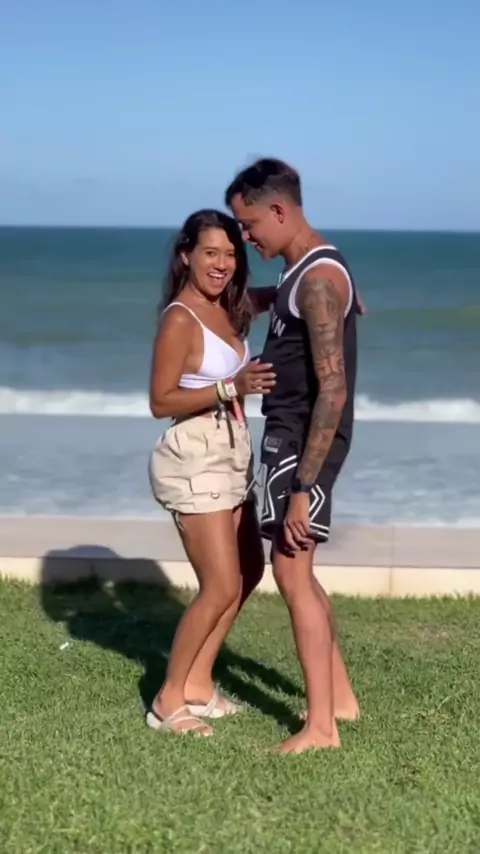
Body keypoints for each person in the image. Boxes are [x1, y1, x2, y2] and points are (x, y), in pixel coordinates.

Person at [226, 158, 360, 753]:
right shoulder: (302, 273)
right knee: (301, 574)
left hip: (305, 446)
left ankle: (321, 728)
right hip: (291, 441)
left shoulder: (317, 280)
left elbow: (333, 391)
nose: (246, 237)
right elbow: (288, 307)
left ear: (279, 210)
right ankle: (341, 699)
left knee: (290, 573)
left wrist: (305, 486)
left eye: (250, 224)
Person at [147, 209, 275, 736]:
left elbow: (266, 297)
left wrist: (317, 285)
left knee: (249, 571)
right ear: (186, 256)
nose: (221, 264)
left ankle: (199, 685)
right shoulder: (181, 318)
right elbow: (160, 400)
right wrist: (231, 387)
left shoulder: (228, 307)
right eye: (209, 253)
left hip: (232, 452)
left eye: (229, 254)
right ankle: (168, 699)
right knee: (220, 586)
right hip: (196, 457)